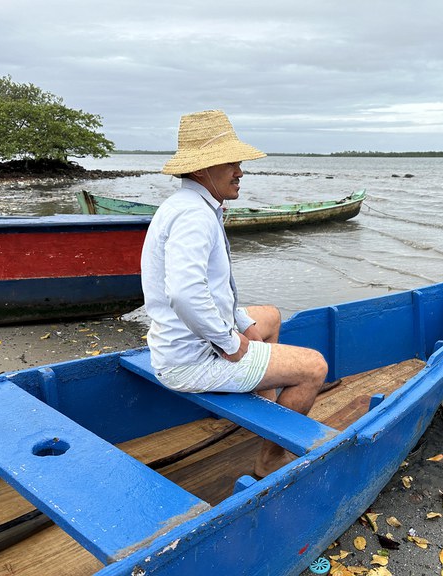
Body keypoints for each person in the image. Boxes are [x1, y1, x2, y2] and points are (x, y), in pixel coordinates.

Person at [140, 110, 328, 477]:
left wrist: (241, 322)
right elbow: (184, 294)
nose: (240, 171)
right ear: (201, 170)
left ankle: (263, 408)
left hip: (179, 342)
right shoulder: (194, 216)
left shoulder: (188, 205)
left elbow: (213, 289)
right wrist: (229, 341)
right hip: (190, 360)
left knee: (269, 316)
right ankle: (269, 459)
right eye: (231, 163)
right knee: (314, 367)